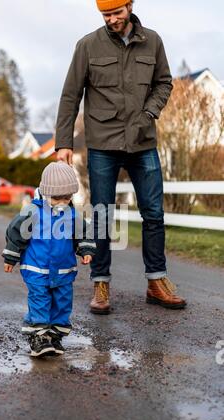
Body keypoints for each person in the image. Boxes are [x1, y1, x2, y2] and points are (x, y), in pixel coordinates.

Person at [55, 0, 187, 314]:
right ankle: (100, 284)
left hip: (143, 142)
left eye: (117, 12)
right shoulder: (87, 45)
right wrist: (63, 142)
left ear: (129, 6)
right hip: (102, 144)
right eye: (106, 15)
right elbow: (71, 94)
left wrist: (150, 113)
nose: (112, 19)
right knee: (101, 214)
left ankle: (157, 281)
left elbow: (163, 83)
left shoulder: (152, 41)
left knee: (153, 214)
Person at [2, 162, 96, 358]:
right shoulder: (33, 212)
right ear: (45, 193)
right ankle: (39, 336)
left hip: (64, 270)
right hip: (36, 268)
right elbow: (16, 232)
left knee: (62, 302)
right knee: (40, 300)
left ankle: (54, 336)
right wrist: (11, 257)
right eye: (57, 198)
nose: (63, 201)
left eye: (67, 197)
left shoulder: (72, 214)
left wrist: (85, 249)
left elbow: (83, 232)